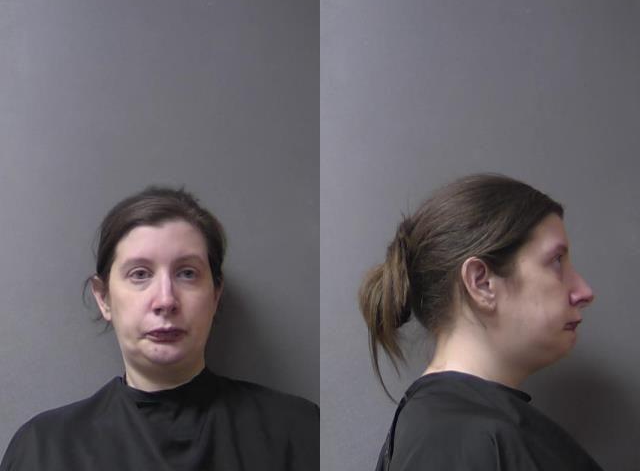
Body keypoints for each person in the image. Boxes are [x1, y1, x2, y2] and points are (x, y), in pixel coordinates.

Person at [0, 187, 319, 471]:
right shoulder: (43, 449)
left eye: (187, 273)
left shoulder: (297, 432)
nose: (166, 300)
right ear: (104, 298)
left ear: (215, 295)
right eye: (140, 274)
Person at [359, 174, 603, 471]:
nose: (584, 292)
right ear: (482, 282)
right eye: (556, 261)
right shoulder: (454, 440)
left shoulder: (455, 431)